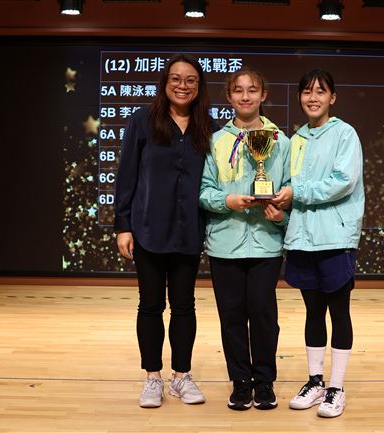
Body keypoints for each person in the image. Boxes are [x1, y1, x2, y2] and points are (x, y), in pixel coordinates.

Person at [114, 54, 219, 409]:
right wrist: (123, 225)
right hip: (148, 230)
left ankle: (181, 377)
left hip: (189, 232)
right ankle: (152, 378)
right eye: (175, 78)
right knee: (150, 305)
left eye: (190, 80)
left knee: (184, 306)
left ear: (199, 86)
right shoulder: (142, 121)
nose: (182, 85)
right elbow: (127, 175)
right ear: (165, 83)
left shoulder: (209, 127)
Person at [199, 69, 291, 411]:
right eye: (238, 90)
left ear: (263, 95)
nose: (245, 96)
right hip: (225, 244)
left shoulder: (281, 141)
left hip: (266, 242)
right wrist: (228, 201)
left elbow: (291, 188)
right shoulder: (215, 141)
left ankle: (264, 381)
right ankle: (240, 381)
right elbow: (204, 190)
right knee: (232, 316)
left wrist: (281, 209)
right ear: (229, 96)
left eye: (253, 90)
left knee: (264, 314)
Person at [281, 69, 365, 418]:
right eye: (306, 91)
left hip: (334, 238)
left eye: (320, 91)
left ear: (333, 97)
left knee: (339, 312)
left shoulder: (345, 134)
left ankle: (337, 388)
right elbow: (289, 186)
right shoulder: (295, 139)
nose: (312, 97)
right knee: (313, 312)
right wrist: (281, 209)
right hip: (303, 240)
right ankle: (315, 382)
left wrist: (296, 192)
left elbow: (343, 181)